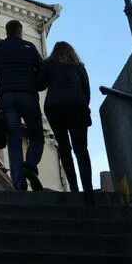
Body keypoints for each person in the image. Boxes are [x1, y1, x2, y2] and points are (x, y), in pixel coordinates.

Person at [0, 19, 45, 191]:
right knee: (37, 136)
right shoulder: (29, 47)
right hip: (28, 96)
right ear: (20, 32)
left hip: (8, 97)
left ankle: (19, 184)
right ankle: (30, 164)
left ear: (6, 32)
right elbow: (41, 70)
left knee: (14, 140)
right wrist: (36, 83)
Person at [40, 41, 93, 196]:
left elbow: (40, 85)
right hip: (77, 108)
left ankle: (74, 188)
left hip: (55, 109)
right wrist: (82, 104)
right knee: (81, 150)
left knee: (64, 148)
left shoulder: (49, 65)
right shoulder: (79, 67)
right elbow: (86, 91)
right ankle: (88, 189)